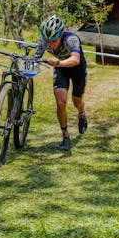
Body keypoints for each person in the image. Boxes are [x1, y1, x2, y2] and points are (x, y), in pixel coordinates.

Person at [35, 15, 87, 150]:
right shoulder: (44, 41)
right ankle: (65, 135)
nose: (50, 44)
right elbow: (35, 58)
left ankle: (81, 113)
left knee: (77, 101)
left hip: (77, 70)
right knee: (60, 102)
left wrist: (59, 62)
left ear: (61, 35)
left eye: (53, 41)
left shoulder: (72, 39)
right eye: (47, 41)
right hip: (61, 70)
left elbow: (76, 59)